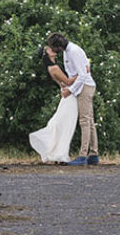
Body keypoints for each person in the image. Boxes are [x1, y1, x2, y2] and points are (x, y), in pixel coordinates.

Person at [46, 32, 98, 165]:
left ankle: (83, 155)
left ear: (58, 46)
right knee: (89, 120)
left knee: (85, 121)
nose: (52, 50)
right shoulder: (67, 52)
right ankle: (93, 154)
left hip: (85, 86)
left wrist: (70, 90)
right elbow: (82, 68)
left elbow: (82, 75)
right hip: (81, 86)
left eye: (53, 47)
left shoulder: (73, 51)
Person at [28, 46, 79, 164]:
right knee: (66, 124)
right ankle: (59, 153)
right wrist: (82, 73)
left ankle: (59, 152)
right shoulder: (54, 68)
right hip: (70, 96)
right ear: (47, 54)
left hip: (67, 94)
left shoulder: (51, 68)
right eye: (49, 50)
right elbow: (67, 81)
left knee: (63, 123)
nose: (52, 49)